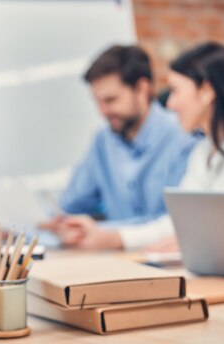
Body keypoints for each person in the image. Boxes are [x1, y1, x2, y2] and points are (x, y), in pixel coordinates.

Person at [43, 42, 224, 251]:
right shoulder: (203, 153)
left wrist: (200, 242)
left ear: (207, 91)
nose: (170, 103)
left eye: (177, 91)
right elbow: (180, 223)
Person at [57, 45, 198, 226]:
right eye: (97, 102)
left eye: (111, 100)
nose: (103, 112)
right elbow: (72, 204)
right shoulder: (102, 141)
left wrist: (107, 234)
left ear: (141, 88)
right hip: (113, 254)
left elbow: (175, 222)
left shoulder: (183, 136)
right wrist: (56, 221)